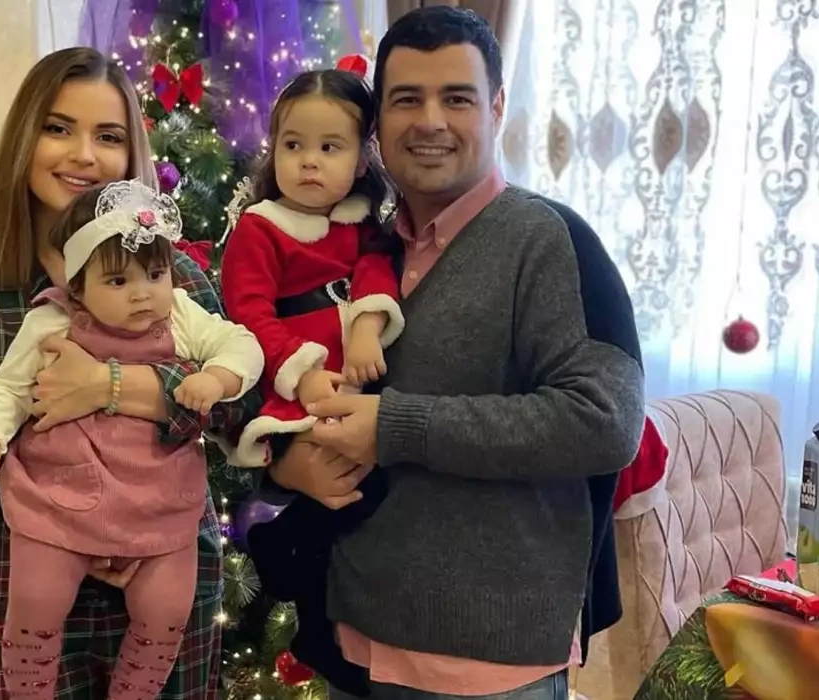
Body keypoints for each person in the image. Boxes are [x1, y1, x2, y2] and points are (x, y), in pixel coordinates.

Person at [261, 7, 646, 699]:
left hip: (488, 664)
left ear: (496, 108)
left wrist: (397, 426)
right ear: (378, 122)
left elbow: (605, 421)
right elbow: (263, 369)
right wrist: (284, 463)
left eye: (457, 98)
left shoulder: (549, 241)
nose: (430, 121)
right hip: (352, 636)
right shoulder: (358, 249)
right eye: (407, 99)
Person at [0, 47, 260, 700]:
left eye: (109, 136)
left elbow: (240, 408)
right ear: (24, 138)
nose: (84, 155)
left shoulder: (173, 275)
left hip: (164, 570)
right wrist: (68, 524)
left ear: (132, 155)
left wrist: (123, 388)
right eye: (59, 128)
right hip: (16, 580)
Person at [0, 179, 263, 700]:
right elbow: (9, 387)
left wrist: (216, 378)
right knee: (36, 599)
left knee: (167, 610)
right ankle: (29, 689)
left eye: (156, 274)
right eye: (118, 281)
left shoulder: (181, 314)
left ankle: (134, 691)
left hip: (158, 500)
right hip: (59, 497)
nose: (143, 293)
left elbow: (244, 346)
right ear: (77, 287)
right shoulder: (51, 320)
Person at [221, 69, 404, 468]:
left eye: (329, 147)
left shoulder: (360, 223)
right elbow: (249, 315)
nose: (308, 161)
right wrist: (303, 374)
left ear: (362, 160)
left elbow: (374, 269)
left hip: (366, 385)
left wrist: (367, 326)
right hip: (298, 386)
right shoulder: (260, 228)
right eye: (293, 145)